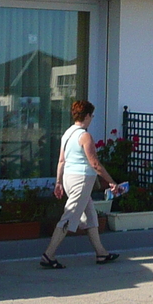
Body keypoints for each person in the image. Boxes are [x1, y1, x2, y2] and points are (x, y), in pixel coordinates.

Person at [39, 100, 121, 269]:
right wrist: (112, 181)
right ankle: (48, 255)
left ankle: (101, 253)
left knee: (90, 215)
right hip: (81, 180)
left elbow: (61, 160)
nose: (92, 118)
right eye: (91, 115)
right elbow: (95, 164)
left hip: (69, 178)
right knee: (69, 217)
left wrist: (58, 183)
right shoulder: (85, 136)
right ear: (87, 116)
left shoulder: (67, 134)